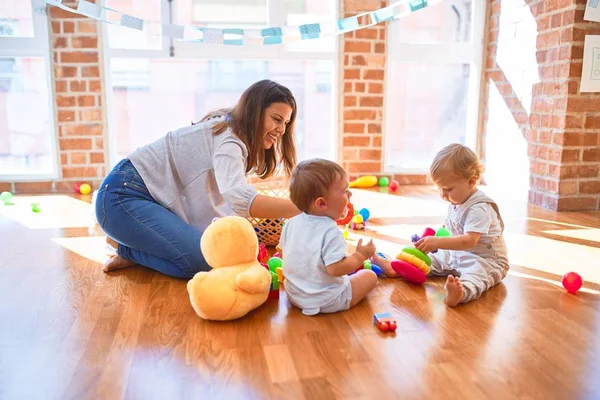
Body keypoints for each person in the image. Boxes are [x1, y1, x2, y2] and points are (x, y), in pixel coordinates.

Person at [95, 80, 301, 279]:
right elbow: (240, 200)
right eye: (276, 119)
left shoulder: (230, 130)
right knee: (203, 261)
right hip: (122, 197)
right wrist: (301, 208)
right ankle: (125, 248)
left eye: (286, 122)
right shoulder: (229, 141)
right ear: (255, 111)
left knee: (215, 251)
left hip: (150, 199)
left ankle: (138, 244)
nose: (282, 129)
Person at [373, 143, 509, 306]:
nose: (443, 195)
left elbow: (469, 241)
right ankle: (395, 268)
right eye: (439, 189)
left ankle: (460, 293)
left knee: (476, 276)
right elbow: (453, 228)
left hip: (484, 259)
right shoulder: (457, 198)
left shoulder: (479, 208)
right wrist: (432, 242)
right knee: (429, 260)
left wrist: (437, 242)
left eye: (448, 189)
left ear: (471, 181)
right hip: (457, 253)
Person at [279, 159, 379, 316]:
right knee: (369, 276)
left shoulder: (290, 223)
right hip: (327, 300)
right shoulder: (330, 232)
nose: (350, 194)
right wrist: (360, 256)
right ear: (321, 204)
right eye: (345, 191)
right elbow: (336, 269)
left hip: (295, 296)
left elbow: (287, 254)